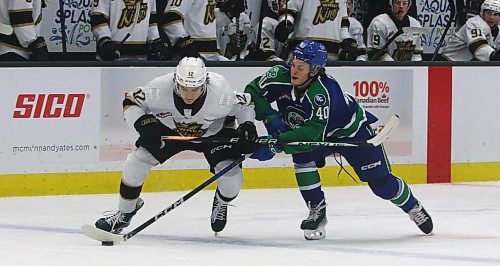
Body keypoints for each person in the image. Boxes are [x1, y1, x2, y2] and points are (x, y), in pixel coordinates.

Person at [244, 40, 433, 240]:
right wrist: (272, 120)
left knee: (382, 185)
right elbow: (253, 91)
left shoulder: (323, 92)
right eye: (293, 64)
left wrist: (276, 143)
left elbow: (311, 134)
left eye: (301, 67)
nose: (294, 71)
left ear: (315, 70)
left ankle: (413, 206)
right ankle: (317, 210)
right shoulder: (279, 76)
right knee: (302, 156)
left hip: (352, 133)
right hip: (318, 132)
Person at [94, 57, 257, 234]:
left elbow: (246, 104)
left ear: (205, 84)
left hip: (214, 134)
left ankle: (222, 201)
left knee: (232, 179)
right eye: (184, 88)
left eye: (194, 89)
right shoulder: (159, 88)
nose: (189, 95)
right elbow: (132, 101)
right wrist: (143, 123)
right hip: (171, 132)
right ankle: (124, 214)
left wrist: (247, 125)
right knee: (135, 162)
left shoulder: (221, 92)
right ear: (175, 81)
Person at [273, 0, 354, 61]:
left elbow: (343, 23)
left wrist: (346, 41)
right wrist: (285, 23)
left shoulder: (342, 1)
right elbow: (290, 11)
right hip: (302, 54)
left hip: (331, 56)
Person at [91, 0, 164, 61]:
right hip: (113, 59)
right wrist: (104, 41)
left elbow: (151, 21)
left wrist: (155, 40)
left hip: (142, 59)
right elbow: (98, 18)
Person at [159, 0, 227, 60]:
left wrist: (228, 14)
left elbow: (204, 21)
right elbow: (170, 19)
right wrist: (186, 45)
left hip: (211, 56)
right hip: (191, 59)